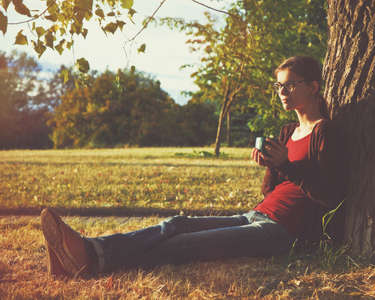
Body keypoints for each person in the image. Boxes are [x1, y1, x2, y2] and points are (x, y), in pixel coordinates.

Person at [40, 55, 347, 277]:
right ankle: (87, 249)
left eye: (290, 85)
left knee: (184, 244)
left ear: (314, 86)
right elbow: (271, 190)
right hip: (257, 214)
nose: (282, 92)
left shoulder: (325, 131)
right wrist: (272, 165)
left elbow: (329, 194)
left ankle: (90, 258)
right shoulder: (287, 131)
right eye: (278, 86)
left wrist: (287, 165)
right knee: (175, 224)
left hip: (282, 231)